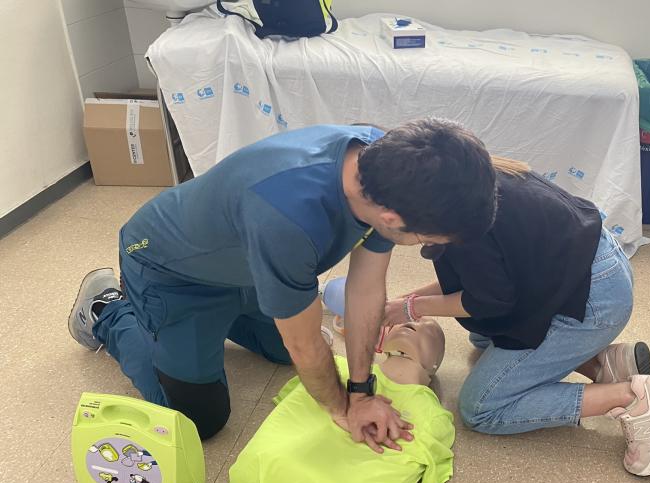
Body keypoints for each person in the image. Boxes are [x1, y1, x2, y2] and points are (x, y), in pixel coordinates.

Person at [66, 120, 497, 452]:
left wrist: (361, 390)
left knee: (295, 354)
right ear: (392, 220)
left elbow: (366, 289)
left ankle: (220, 322)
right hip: (170, 271)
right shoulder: (288, 218)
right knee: (202, 420)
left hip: (247, 266)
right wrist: (342, 408)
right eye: (427, 240)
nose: (427, 247)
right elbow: (304, 346)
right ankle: (109, 310)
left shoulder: (382, 167)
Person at [379, 156, 650, 477]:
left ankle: (634, 398)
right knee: (482, 335)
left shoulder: (465, 227)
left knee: (480, 408)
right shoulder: (467, 178)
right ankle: (602, 364)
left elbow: (487, 299)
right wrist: (405, 303)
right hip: (594, 268)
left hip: (593, 302)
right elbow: (481, 280)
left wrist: (412, 308)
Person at [228, 318, 454, 483]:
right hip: (260, 469)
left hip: (259, 477)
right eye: (406, 321)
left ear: (434, 365)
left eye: (428, 329)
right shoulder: (332, 367)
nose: (412, 322)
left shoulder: (433, 415)